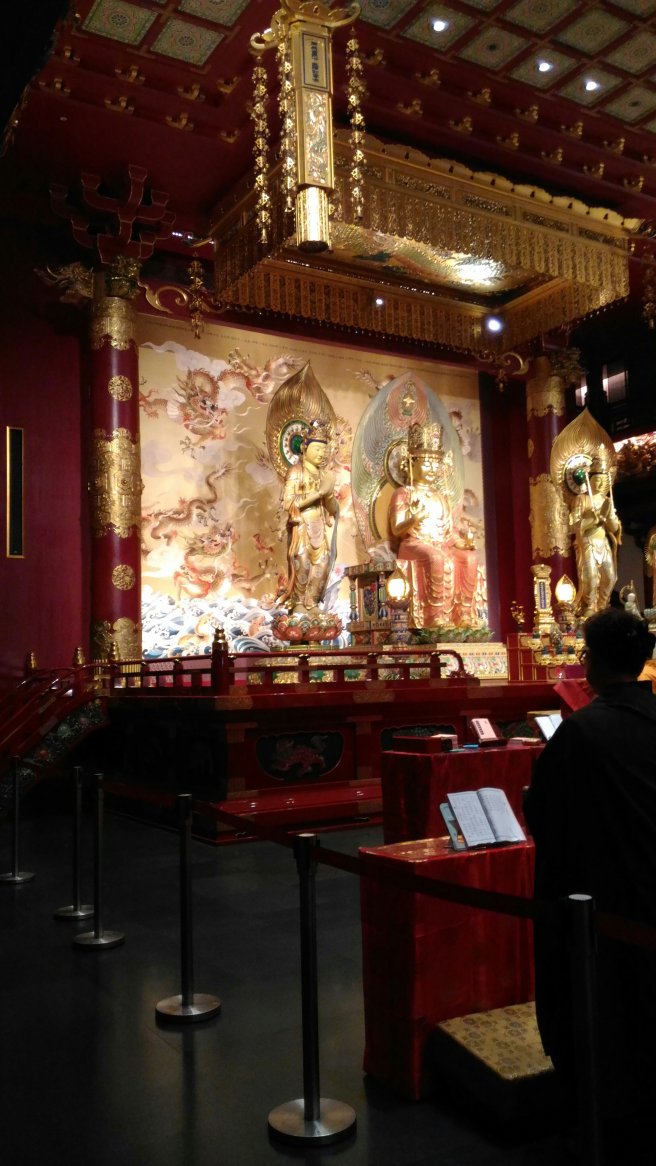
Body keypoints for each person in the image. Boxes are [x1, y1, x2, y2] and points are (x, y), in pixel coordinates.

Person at [524, 609, 656, 1157]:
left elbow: (544, 813)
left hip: (605, 901)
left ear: (593, 663)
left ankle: (606, 1116)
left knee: (609, 1012)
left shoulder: (581, 731)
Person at [388, 421, 477, 628]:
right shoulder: (403, 494)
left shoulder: (440, 497)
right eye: (426, 463)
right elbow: (397, 529)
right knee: (435, 557)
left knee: (469, 558)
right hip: (413, 544)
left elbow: (449, 531)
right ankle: (434, 615)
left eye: (436, 464)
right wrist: (414, 519)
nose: (432, 469)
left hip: (441, 544)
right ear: (411, 463)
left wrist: (462, 542)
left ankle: (463, 614)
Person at [278, 419, 339, 615]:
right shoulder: (296, 472)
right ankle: (298, 603)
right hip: (302, 526)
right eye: (317, 449)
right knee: (302, 562)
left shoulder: (324, 476)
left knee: (322, 563)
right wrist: (318, 493)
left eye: (324, 450)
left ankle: (312, 603)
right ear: (304, 448)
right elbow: (289, 503)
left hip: (318, 527)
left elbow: (333, 509)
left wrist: (328, 494)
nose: (322, 454)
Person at [569, 454, 622, 619]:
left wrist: (608, 517)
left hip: (603, 542)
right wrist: (591, 518)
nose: (599, 483)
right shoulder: (582, 499)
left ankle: (603, 605)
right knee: (590, 575)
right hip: (587, 541)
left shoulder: (607, 500)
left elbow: (614, 528)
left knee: (610, 577)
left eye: (602, 480)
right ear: (590, 480)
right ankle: (590, 605)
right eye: (596, 480)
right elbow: (573, 525)